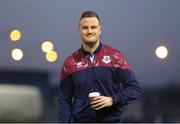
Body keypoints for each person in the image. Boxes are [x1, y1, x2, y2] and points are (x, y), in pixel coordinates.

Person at [58, 10, 142, 123]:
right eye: (85, 27)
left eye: (93, 27)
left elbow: (134, 88)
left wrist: (112, 100)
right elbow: (64, 100)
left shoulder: (115, 56)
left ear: (100, 30)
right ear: (79, 30)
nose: (89, 31)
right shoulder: (70, 62)